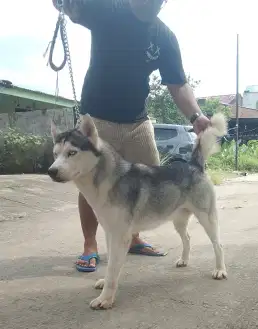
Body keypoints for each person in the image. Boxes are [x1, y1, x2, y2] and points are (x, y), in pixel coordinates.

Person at [53, 0, 210, 272]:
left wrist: (196, 117)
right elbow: (73, 7)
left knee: (149, 177)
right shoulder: (107, 9)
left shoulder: (164, 36)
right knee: (89, 179)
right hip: (97, 119)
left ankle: (133, 237)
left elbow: (178, 83)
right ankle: (90, 245)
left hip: (137, 120)